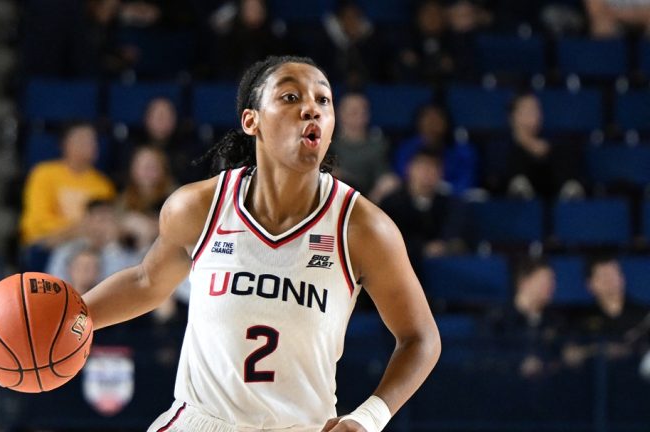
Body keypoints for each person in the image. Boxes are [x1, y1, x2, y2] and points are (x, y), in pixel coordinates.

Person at [82, 56, 441, 432]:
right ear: (251, 121)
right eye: (290, 97)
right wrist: (74, 320)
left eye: (323, 100)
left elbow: (420, 338)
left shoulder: (363, 227)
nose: (311, 109)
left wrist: (368, 418)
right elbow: (146, 282)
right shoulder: (199, 207)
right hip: (201, 422)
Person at [18, 122, 116, 270]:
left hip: (92, 243)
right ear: (65, 144)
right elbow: (38, 223)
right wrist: (78, 229)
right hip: (49, 242)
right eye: (83, 140)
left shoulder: (103, 184)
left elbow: (107, 223)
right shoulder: (44, 174)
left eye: (93, 140)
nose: (91, 145)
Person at [380, 150, 467, 270]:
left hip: (441, 268)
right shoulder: (391, 204)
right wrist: (422, 249)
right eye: (422, 168)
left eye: (433, 169)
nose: (427, 174)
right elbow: (385, 242)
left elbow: (455, 237)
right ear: (409, 170)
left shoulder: (450, 204)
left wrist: (445, 246)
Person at [562, 255, 650, 368]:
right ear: (590, 284)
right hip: (593, 375)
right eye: (603, 275)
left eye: (613, 274)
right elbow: (570, 354)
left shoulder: (643, 313)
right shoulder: (579, 318)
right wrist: (599, 349)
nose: (609, 280)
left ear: (622, 278)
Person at [45, 199, 141, 283]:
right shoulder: (67, 250)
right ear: (88, 220)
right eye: (101, 220)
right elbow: (55, 282)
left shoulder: (125, 253)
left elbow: (131, 283)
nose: (105, 226)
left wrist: (111, 247)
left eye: (110, 220)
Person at [393, 103, 478, 196]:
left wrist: (441, 188)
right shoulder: (407, 148)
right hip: (413, 196)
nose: (432, 124)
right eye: (428, 119)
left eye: (437, 120)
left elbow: (466, 181)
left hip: (451, 198)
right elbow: (401, 175)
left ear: (446, 123)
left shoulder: (463, 151)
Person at [330, 92, 399, 204]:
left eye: (363, 111)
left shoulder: (378, 144)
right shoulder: (328, 142)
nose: (358, 116)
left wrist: (375, 196)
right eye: (353, 112)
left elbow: (384, 175)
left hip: (370, 198)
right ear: (339, 113)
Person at [117, 146, 178, 251]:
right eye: (142, 167)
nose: (146, 172)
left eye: (151, 167)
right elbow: (116, 226)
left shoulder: (176, 197)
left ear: (162, 169)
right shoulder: (124, 198)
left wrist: (151, 227)